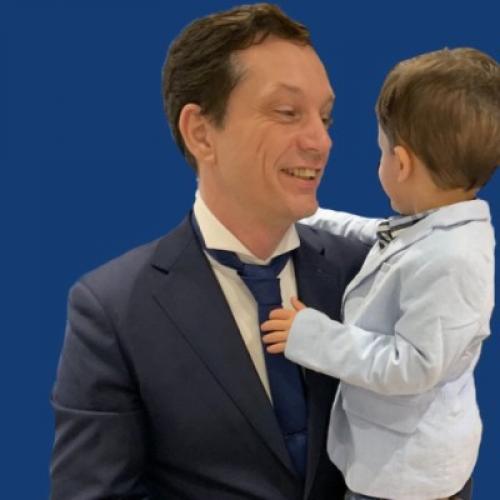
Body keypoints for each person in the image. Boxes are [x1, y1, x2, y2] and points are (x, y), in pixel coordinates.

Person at [50, 4, 369, 499]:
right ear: (201, 132)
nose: (320, 141)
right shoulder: (113, 310)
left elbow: (436, 446)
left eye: (325, 117)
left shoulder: (366, 272)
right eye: (288, 113)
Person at [261, 47, 500, 500]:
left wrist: (311, 335)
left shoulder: (452, 260)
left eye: (382, 152)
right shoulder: (438, 224)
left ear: (402, 163)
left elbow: (411, 366)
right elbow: (381, 235)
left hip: (409, 481)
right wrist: (312, 216)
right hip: (395, 459)